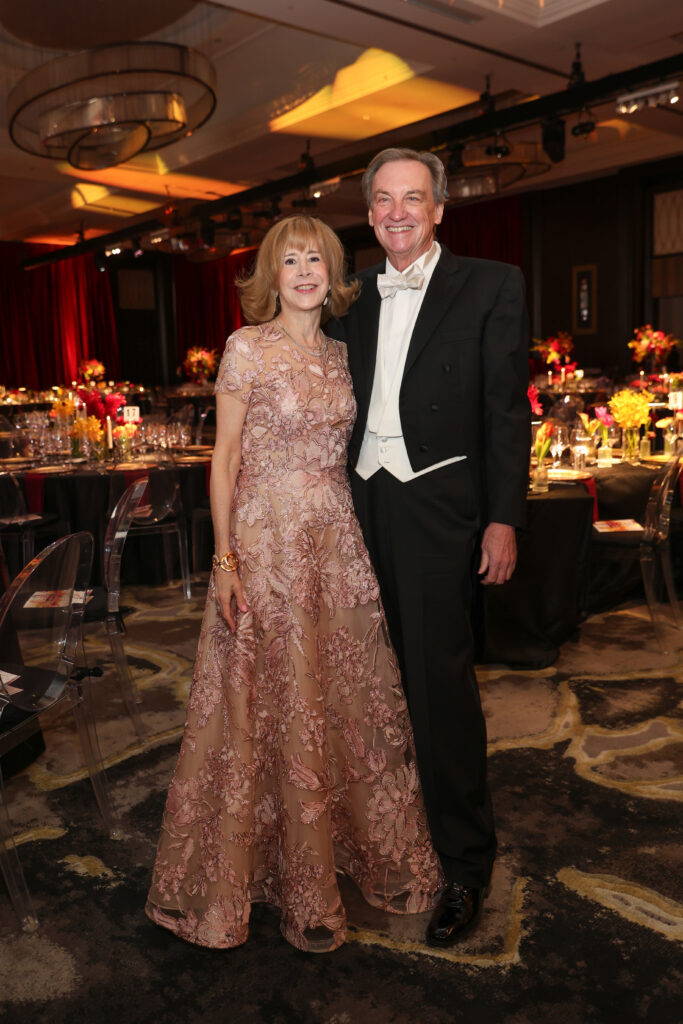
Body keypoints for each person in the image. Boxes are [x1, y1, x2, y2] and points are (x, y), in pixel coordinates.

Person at [145, 215, 444, 954]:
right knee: (263, 698)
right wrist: (223, 560)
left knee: (342, 700)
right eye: (290, 261)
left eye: (317, 258)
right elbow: (223, 461)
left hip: (335, 542)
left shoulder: (348, 357)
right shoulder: (247, 349)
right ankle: (252, 870)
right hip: (264, 542)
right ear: (270, 277)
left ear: (333, 272)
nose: (305, 271)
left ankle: (333, 856)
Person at [327, 148, 530, 946]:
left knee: (437, 688)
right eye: (383, 199)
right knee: (362, 682)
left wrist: (503, 517)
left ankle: (464, 864)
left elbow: (504, 410)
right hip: (351, 505)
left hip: (436, 507)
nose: (398, 212)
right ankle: (377, 834)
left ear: (440, 208)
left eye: (413, 198)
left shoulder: (491, 283)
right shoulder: (349, 296)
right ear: (369, 211)